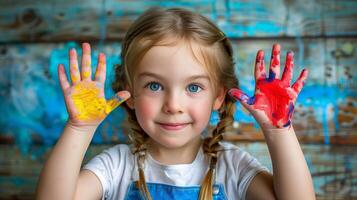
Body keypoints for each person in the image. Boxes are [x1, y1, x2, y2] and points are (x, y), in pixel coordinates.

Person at [36, 7, 315, 200]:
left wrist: (280, 132)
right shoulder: (116, 166)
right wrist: (79, 128)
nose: (173, 105)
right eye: (154, 86)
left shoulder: (232, 167)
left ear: (218, 96)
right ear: (129, 93)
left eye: (193, 87)